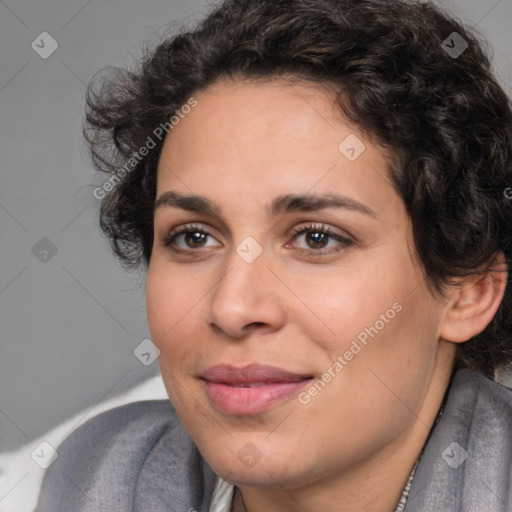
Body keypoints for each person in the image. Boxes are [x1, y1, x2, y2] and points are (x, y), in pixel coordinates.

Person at [35, 0, 512, 510]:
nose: (232, 308)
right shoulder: (90, 477)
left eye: (316, 238)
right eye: (194, 237)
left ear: (468, 290)